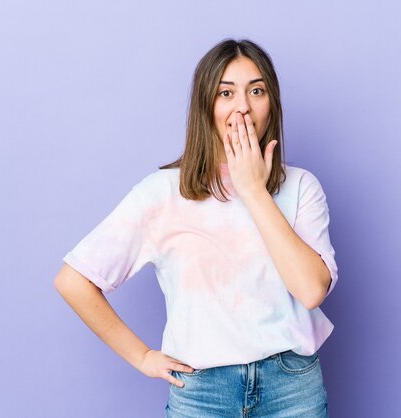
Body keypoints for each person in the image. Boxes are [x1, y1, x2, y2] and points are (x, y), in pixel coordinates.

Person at [53, 38, 338, 417]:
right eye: (226, 92)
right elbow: (73, 280)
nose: (243, 106)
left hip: (291, 389)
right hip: (202, 393)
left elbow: (311, 290)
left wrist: (254, 190)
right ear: (206, 105)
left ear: (272, 105)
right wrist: (142, 357)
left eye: (257, 90)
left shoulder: (301, 187)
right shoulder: (162, 193)